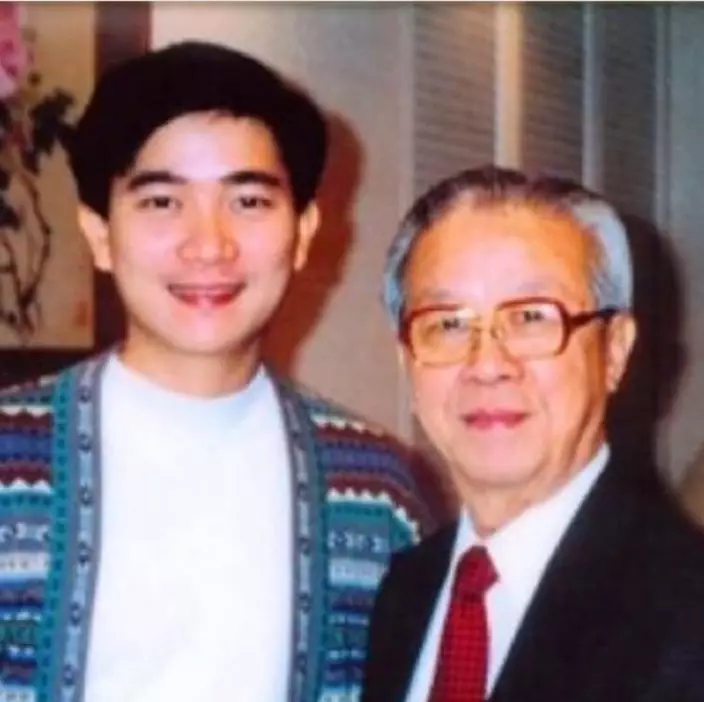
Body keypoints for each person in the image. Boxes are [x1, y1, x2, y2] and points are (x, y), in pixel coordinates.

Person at [0, 41, 432, 701]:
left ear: (304, 232)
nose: (209, 245)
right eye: (161, 202)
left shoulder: (377, 492)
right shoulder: (10, 456)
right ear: (99, 235)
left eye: (249, 201)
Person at [362, 165, 704, 702]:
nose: (487, 365)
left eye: (531, 317)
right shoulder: (405, 592)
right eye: (448, 323)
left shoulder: (684, 614)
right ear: (408, 362)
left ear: (614, 351)